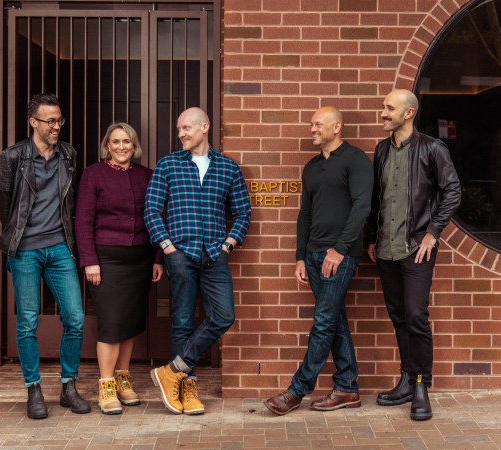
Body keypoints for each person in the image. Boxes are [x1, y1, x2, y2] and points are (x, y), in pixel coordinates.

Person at [263, 106, 373, 416]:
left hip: (339, 256)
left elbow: (362, 207)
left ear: (336, 127)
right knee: (334, 320)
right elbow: (305, 214)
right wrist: (300, 256)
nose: (311, 128)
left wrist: (339, 250)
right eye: (312, 124)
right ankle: (348, 388)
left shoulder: (356, 160)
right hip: (313, 255)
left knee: (324, 321)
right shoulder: (311, 167)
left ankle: (297, 391)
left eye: (317, 124)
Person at [144, 107, 251, 415]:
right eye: (179, 129)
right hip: (181, 255)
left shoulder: (228, 168)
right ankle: (185, 388)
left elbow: (243, 213)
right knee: (181, 321)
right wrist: (168, 249)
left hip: (215, 255)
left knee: (223, 316)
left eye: (187, 128)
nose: (182, 134)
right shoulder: (167, 166)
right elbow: (152, 211)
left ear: (205, 127)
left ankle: (171, 371)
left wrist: (228, 245)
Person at [0, 93, 90, 419]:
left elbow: (70, 201)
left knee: (75, 318)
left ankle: (68, 386)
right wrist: (22, 234)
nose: (56, 126)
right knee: (28, 323)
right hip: (25, 250)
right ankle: (33, 388)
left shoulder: (69, 155)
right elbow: (3, 207)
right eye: (50, 120)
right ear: (33, 122)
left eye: (59, 120)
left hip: (61, 247)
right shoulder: (11, 158)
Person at [367, 89, 461, 421]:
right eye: (383, 107)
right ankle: (406, 379)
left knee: (417, 317)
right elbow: (377, 199)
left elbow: (452, 190)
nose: (383, 113)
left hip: (415, 249)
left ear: (408, 113)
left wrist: (433, 233)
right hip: (386, 248)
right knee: (399, 316)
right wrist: (371, 237)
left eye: (389, 108)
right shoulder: (381, 150)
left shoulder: (432, 148)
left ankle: (421, 385)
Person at [75, 123, 164, 415]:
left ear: (134, 145)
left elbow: (156, 218)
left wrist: (157, 259)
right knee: (112, 324)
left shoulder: (146, 176)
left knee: (130, 323)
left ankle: (124, 380)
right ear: (108, 146)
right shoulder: (94, 174)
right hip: (106, 260)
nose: (122, 146)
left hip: (140, 259)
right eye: (116, 141)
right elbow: (83, 220)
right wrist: (89, 260)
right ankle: (106, 384)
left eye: (127, 141)